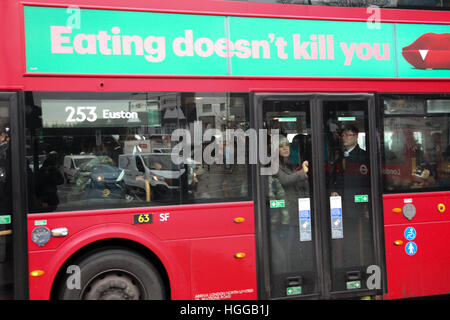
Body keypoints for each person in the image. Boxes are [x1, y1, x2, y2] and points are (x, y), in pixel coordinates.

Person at [330, 124, 373, 267]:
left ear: (356, 137)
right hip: (342, 206)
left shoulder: (363, 156)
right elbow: (336, 178)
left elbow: (368, 183)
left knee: (358, 239)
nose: (345, 138)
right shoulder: (340, 156)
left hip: (358, 207)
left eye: (348, 135)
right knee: (346, 238)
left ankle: (359, 265)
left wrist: (367, 206)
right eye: (343, 135)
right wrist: (334, 190)